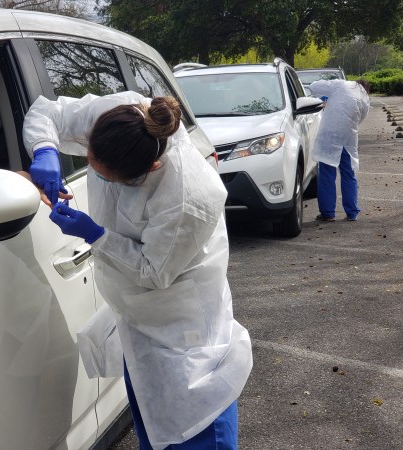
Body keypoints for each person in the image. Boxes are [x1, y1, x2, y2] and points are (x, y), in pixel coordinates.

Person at [23, 91, 253, 450]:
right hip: (138, 329)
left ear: (151, 169)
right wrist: (45, 149)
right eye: (89, 158)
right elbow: (47, 112)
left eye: (108, 177)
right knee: (153, 426)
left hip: (181, 335)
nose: (94, 171)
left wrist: (96, 235)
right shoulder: (121, 115)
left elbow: (153, 271)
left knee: (195, 428)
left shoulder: (190, 197)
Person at [308, 79, 370, 221]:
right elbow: (360, 118)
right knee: (348, 174)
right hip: (348, 138)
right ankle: (352, 213)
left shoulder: (340, 84)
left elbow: (313, 86)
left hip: (330, 136)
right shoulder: (365, 97)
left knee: (327, 175)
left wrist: (326, 97)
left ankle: (328, 213)